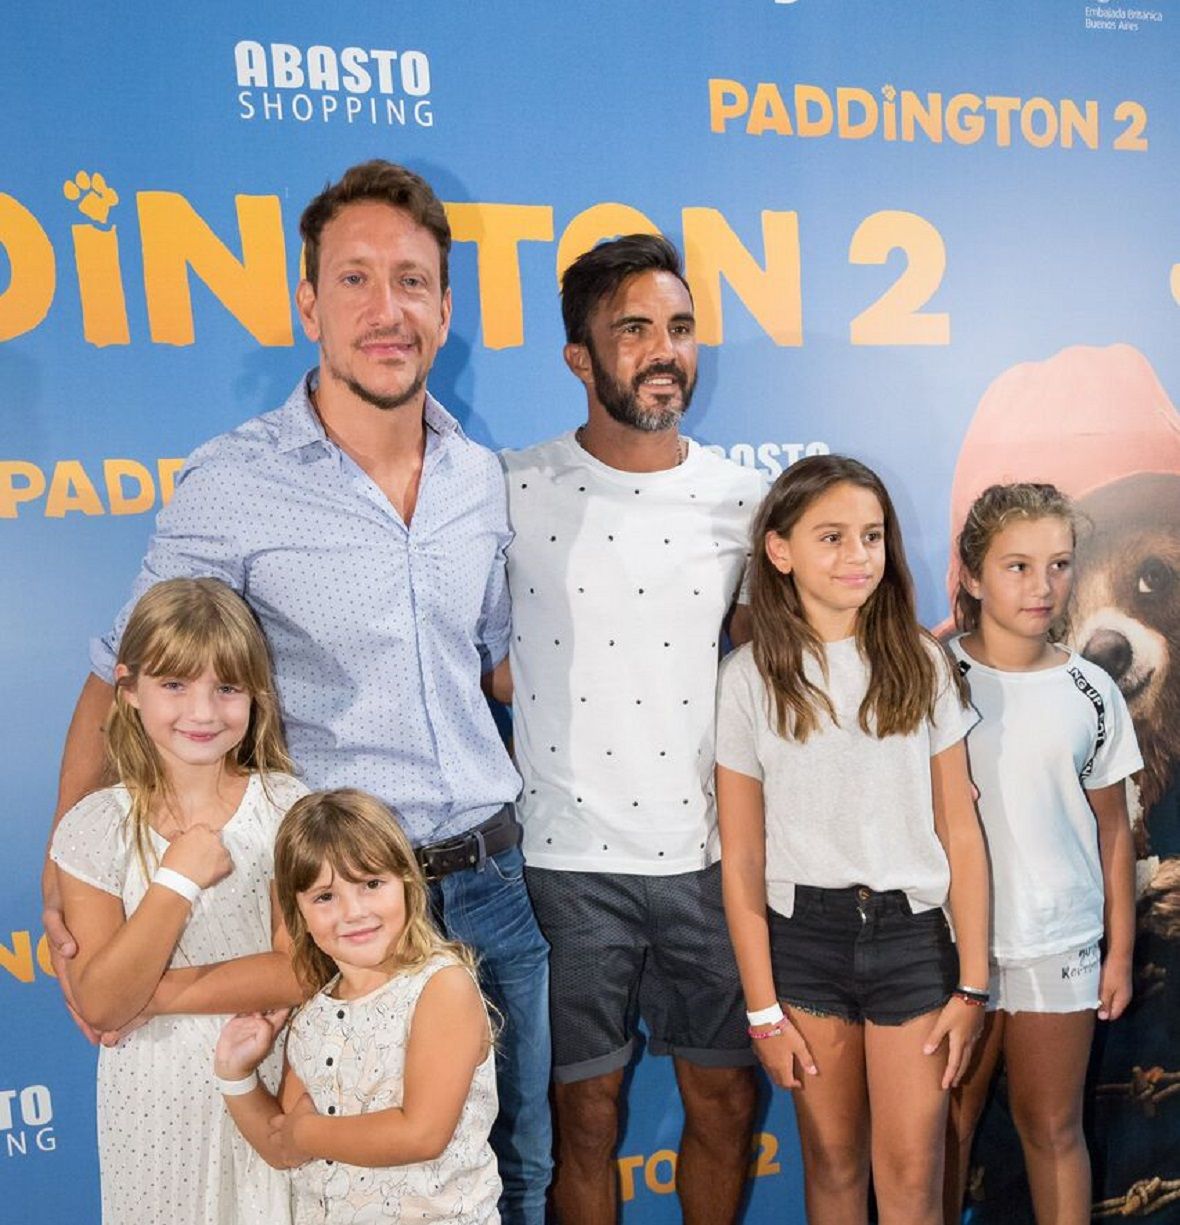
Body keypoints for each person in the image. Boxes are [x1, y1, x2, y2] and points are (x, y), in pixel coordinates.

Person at [44, 160, 550, 1223]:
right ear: (307, 304)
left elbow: (492, 661)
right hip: (334, 907)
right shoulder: (234, 481)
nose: (386, 309)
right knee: (341, 1189)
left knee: (512, 1175)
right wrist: (67, 873)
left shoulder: (479, 478)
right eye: (355, 279)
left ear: (445, 307)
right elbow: (116, 675)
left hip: (489, 884)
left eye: (412, 281)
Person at [494, 234, 764, 1223]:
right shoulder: (510, 487)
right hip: (567, 865)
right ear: (579, 357)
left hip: (708, 860)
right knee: (585, 1116)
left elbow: (772, 666)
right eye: (635, 329)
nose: (665, 351)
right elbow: (471, 648)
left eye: (680, 328)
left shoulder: (744, 500)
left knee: (725, 1103)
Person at [714, 454, 990, 1225]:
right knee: (834, 1164)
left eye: (871, 535)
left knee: (911, 1175)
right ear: (780, 550)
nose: (857, 555)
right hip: (804, 942)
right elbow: (743, 858)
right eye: (831, 536)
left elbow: (959, 830)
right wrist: (762, 1010)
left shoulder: (923, 660)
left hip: (912, 940)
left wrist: (972, 984)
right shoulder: (748, 679)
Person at [49, 578, 307, 1224]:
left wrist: (152, 994)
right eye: (174, 685)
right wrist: (176, 881)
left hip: (270, 1079)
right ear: (128, 690)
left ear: (257, 695)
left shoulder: (286, 808)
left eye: (227, 688)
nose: (202, 711)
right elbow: (102, 1003)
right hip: (152, 1098)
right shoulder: (94, 826)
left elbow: (300, 968)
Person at [944, 483, 1140, 1224]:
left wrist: (1119, 954)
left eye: (1058, 564)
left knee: (1053, 1129)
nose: (1043, 586)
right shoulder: (931, 675)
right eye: (1018, 566)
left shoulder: (1092, 689)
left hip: (1060, 941)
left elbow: (1113, 830)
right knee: (944, 1131)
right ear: (972, 575)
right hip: (946, 946)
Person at [214, 789, 500, 1224]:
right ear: (298, 913)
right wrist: (236, 1075)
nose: (353, 912)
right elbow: (284, 1150)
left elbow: (422, 1134)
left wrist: (308, 1132)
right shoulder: (311, 1017)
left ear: (407, 883)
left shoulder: (441, 986)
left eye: (371, 884)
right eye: (325, 897)